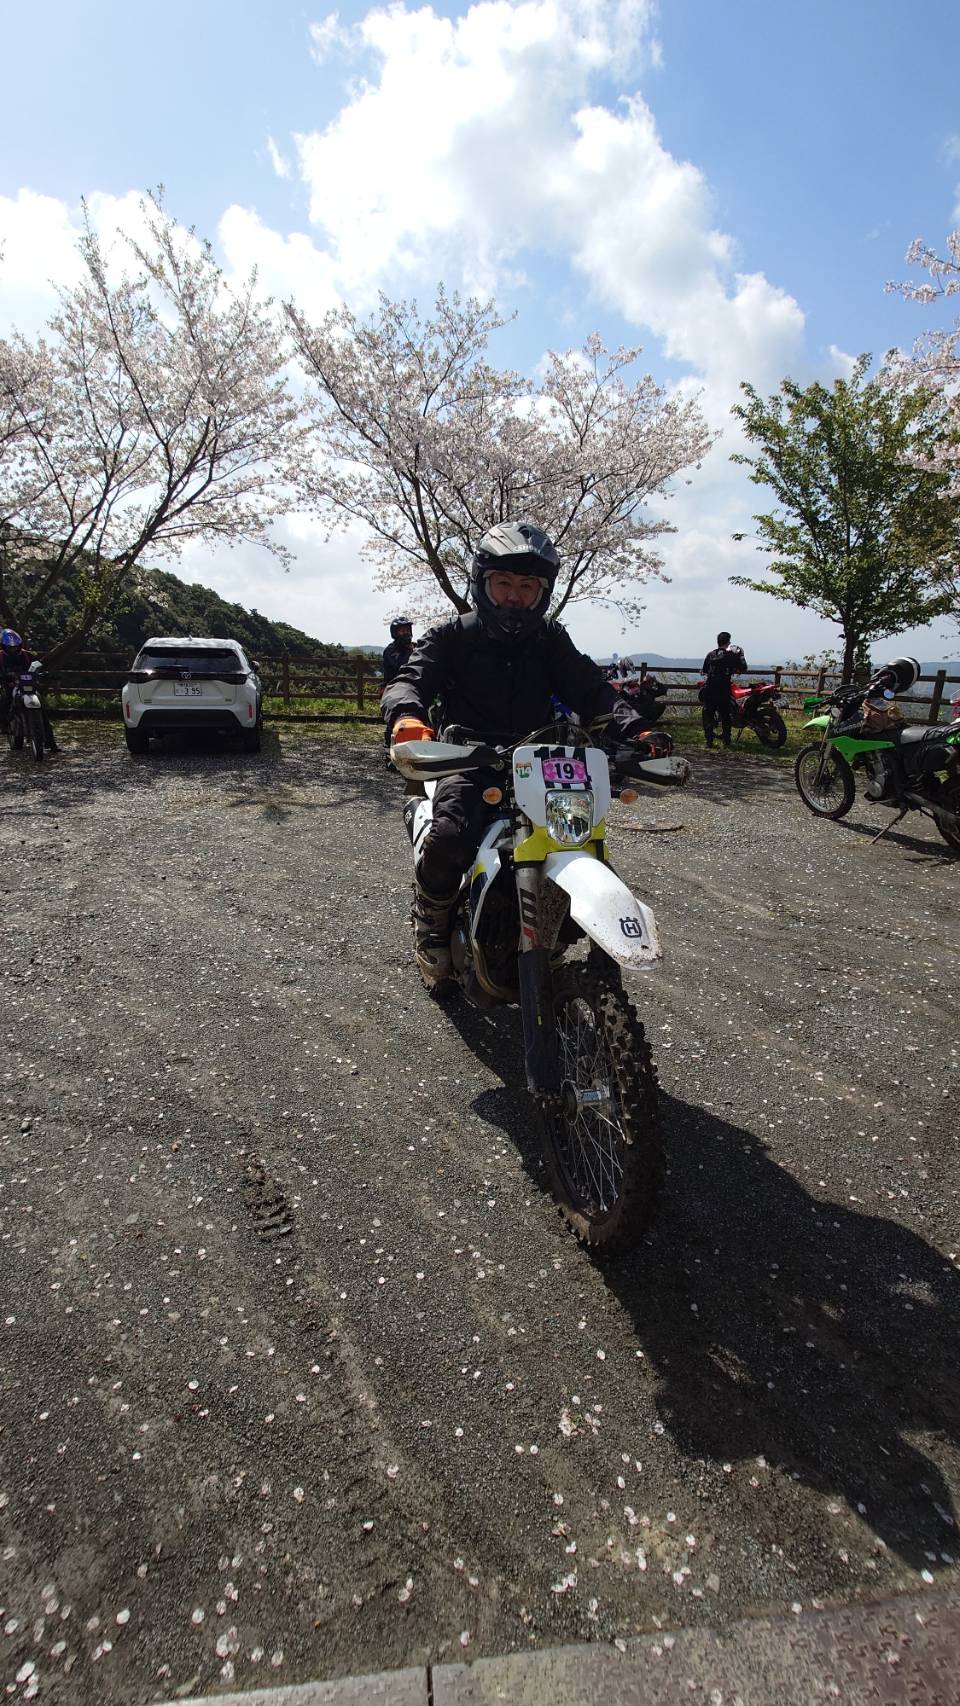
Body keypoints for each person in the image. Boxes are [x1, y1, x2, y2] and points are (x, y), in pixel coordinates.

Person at [381, 521, 664, 984]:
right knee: (451, 834)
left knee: (578, 841)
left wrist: (636, 729)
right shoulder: (452, 635)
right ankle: (431, 924)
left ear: (541, 593)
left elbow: (591, 689)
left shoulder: (550, 639)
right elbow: (409, 681)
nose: (514, 596)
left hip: (543, 765)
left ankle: (552, 930)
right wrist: (407, 717)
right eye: (504, 584)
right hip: (469, 759)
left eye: (527, 587)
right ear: (483, 584)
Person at [0, 629, 57, 752]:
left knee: (42, 711)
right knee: (5, 701)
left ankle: (51, 743)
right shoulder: (1, 657)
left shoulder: (27, 655)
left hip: (27, 686)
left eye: (15, 647)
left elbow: (38, 667)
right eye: (10, 647)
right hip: (10, 686)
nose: (13, 649)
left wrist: (44, 674)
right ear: (4, 646)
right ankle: (4, 725)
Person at [700, 630, 746, 748]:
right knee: (725, 715)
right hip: (724, 689)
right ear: (728, 642)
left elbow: (705, 670)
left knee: (708, 715)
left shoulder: (710, 655)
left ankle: (709, 741)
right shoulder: (731, 656)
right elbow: (743, 667)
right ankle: (726, 740)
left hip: (710, 689)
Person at [382, 618, 414, 688]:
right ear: (395, 633)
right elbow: (400, 668)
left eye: (408, 630)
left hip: (411, 686)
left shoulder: (415, 647)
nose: (406, 633)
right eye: (403, 631)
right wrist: (409, 650)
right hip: (392, 686)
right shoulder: (390, 650)